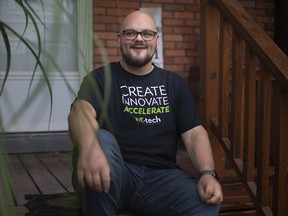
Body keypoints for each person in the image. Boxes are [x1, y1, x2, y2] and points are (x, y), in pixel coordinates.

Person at [68, 10, 223, 216]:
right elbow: (80, 111)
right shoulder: (100, 78)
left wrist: (207, 173)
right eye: (130, 33)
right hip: (112, 174)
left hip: (161, 179)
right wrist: (90, 146)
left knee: (206, 203)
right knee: (101, 139)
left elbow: (194, 133)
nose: (139, 39)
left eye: (147, 34)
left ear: (156, 40)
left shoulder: (174, 83)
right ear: (120, 39)